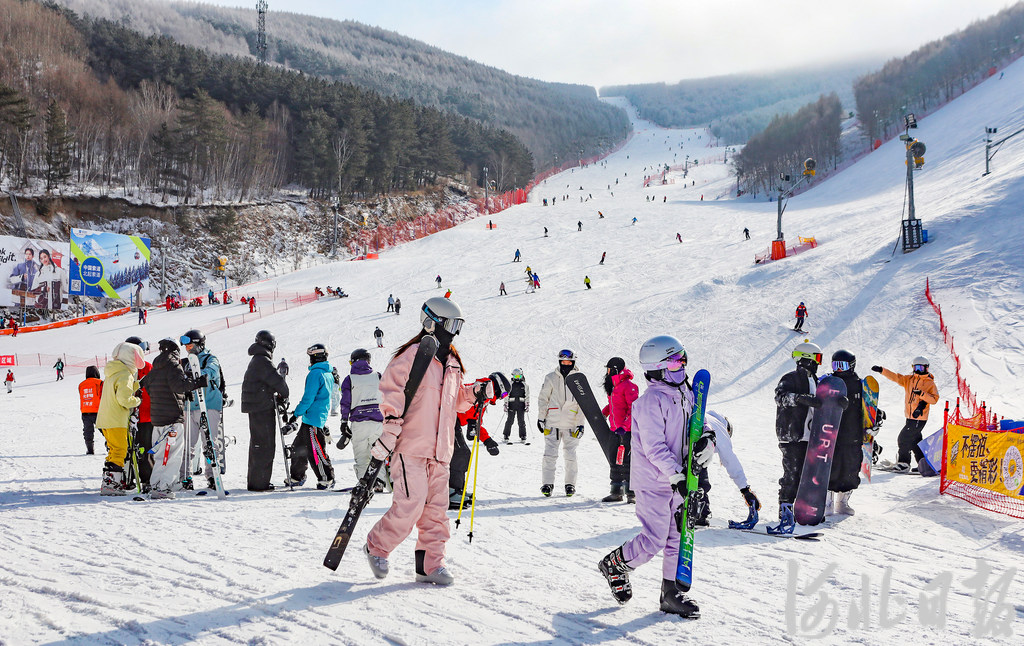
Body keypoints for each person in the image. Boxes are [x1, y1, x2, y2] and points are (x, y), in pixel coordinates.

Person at [364, 297, 484, 586]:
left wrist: (477, 391)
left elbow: (456, 402)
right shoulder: (412, 355)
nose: (454, 333)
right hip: (411, 447)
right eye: (450, 325)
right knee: (411, 504)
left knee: (436, 513)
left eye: (458, 326)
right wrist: (390, 429)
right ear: (431, 322)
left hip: (441, 451)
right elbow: (392, 392)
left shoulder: (452, 364)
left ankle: (430, 564)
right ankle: (376, 547)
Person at [598, 335, 715, 618]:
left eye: (682, 360)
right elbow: (654, 448)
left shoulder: (686, 393)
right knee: (654, 539)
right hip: (653, 481)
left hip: (679, 478)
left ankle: (670, 594)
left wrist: (708, 439)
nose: (681, 366)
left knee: (678, 536)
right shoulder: (649, 403)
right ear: (657, 369)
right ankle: (615, 563)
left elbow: (699, 421)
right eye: (674, 363)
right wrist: (676, 476)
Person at [768, 341, 823, 533]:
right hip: (792, 435)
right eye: (817, 358)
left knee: (807, 475)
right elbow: (780, 397)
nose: (818, 363)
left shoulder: (816, 381)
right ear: (806, 359)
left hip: (810, 435)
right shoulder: (790, 378)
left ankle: (803, 509)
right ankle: (785, 508)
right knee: (792, 472)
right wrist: (799, 398)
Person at [141, 338, 206, 499]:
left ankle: (158, 483)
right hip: (171, 418)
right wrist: (196, 383)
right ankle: (163, 486)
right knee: (172, 455)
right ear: (176, 350)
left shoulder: (155, 368)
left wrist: (179, 394)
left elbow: (146, 385)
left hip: (157, 419)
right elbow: (179, 386)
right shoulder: (173, 365)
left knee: (160, 455)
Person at [240, 330, 289, 491]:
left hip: (257, 407)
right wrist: (282, 388)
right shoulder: (263, 361)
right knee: (265, 445)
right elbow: (279, 384)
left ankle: (256, 481)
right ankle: (259, 483)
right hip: (262, 408)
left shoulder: (257, 359)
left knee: (258, 444)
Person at [872, 357, 939, 473]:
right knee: (915, 441)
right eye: (916, 368)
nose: (918, 370)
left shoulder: (929, 383)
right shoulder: (909, 379)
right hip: (909, 416)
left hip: (919, 418)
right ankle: (924, 464)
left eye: (921, 368)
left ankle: (904, 463)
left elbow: (934, 399)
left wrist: (922, 394)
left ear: (926, 368)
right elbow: (896, 377)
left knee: (903, 438)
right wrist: (882, 370)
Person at [284, 343, 335, 489]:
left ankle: (327, 478)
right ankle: (297, 476)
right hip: (312, 418)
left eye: (311, 357)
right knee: (298, 448)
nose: (310, 360)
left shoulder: (315, 374)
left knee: (315, 451)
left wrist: (296, 414)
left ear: (315, 357)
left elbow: (308, 398)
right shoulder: (327, 373)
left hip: (313, 419)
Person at [96, 342, 144, 495]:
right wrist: (137, 400)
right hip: (116, 420)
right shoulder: (125, 375)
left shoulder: (113, 372)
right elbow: (124, 399)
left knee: (113, 450)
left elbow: (119, 389)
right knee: (119, 451)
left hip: (106, 419)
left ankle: (109, 480)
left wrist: (136, 385)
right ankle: (111, 485)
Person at [697, 410, 761, 525]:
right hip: (696, 449)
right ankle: (699, 513)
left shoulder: (708, 417)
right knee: (702, 481)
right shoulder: (720, 427)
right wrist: (745, 490)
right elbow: (729, 460)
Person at [537, 349, 586, 497]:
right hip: (552, 423)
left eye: (569, 362)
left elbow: (583, 404)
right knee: (549, 455)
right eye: (563, 361)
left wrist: (580, 424)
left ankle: (570, 484)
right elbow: (543, 398)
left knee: (570, 456)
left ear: (573, 362)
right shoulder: (551, 378)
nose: (566, 364)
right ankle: (547, 484)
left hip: (571, 424)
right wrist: (541, 418)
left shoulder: (579, 380)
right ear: (559, 361)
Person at [338, 348, 388, 489]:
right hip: (378, 422)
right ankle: (379, 481)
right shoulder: (377, 376)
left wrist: (343, 421)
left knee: (361, 456)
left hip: (359, 423)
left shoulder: (349, 379)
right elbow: (386, 397)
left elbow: (345, 402)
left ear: (353, 361)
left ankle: (364, 484)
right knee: (377, 454)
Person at [181, 329, 223, 490]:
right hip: (190, 407)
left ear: (199, 345)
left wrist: (196, 375)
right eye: (186, 347)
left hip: (209, 405)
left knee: (209, 443)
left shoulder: (210, 359)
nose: (188, 349)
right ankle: (185, 477)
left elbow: (211, 372)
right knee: (187, 445)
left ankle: (212, 475)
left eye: (190, 346)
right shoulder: (186, 362)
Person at [827, 350, 865, 514]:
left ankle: (842, 502)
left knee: (851, 468)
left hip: (853, 434)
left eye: (841, 366)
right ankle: (827, 502)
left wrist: (875, 417)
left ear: (851, 365)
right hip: (832, 434)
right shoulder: (829, 382)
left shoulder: (859, 384)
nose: (838, 369)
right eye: (835, 365)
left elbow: (866, 407)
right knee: (831, 468)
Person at [600, 357, 638, 503]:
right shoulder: (614, 385)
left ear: (615, 369)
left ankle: (631, 493)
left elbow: (633, 409)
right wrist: (604, 413)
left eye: (609, 369)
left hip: (627, 431)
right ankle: (616, 492)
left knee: (628, 462)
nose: (607, 372)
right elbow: (613, 405)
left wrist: (625, 426)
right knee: (614, 460)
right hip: (614, 430)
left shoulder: (629, 386)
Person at [125, 336, 153, 490]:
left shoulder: (147, 367)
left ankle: (147, 478)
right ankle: (128, 477)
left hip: (145, 416)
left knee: (144, 449)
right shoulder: (125, 369)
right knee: (130, 449)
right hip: (129, 415)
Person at [78, 366, 103, 454]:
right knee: (106, 431)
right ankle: (110, 447)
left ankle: (90, 450)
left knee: (88, 432)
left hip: (85, 411)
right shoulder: (100, 383)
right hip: (98, 411)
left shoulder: (81, 385)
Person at [502, 368, 529, 442]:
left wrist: (527, 404)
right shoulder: (510, 384)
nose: (517, 378)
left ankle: (523, 436)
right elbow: (506, 394)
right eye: (515, 376)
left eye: (519, 376)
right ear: (513, 376)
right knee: (510, 420)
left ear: (521, 376)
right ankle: (506, 435)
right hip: (512, 405)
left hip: (521, 405)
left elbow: (527, 395)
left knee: (521, 421)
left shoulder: (524, 385)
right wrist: (506, 404)